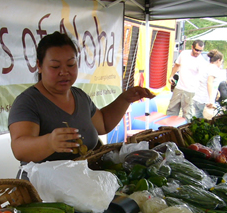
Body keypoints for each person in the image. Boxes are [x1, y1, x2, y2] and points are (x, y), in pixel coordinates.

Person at [8, 32, 153, 176]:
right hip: (43, 192)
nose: (64, 72)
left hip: (82, 185)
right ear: (39, 66)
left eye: (71, 64)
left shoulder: (79, 96)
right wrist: (49, 142)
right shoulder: (28, 102)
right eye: (55, 66)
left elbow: (102, 124)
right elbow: (19, 149)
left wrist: (125, 99)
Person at [165, 40, 207, 120]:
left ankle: (185, 131)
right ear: (192, 47)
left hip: (190, 90)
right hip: (179, 87)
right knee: (171, 110)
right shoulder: (184, 54)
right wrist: (171, 76)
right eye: (196, 50)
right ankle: (169, 129)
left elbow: (203, 79)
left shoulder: (201, 62)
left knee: (187, 114)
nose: (198, 52)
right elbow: (177, 65)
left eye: (200, 51)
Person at [192, 50, 225, 118]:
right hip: (205, 101)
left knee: (197, 122)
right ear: (218, 60)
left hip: (198, 98)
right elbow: (209, 82)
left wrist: (217, 92)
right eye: (221, 61)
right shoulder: (214, 68)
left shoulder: (206, 67)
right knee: (207, 122)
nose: (221, 63)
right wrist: (211, 100)